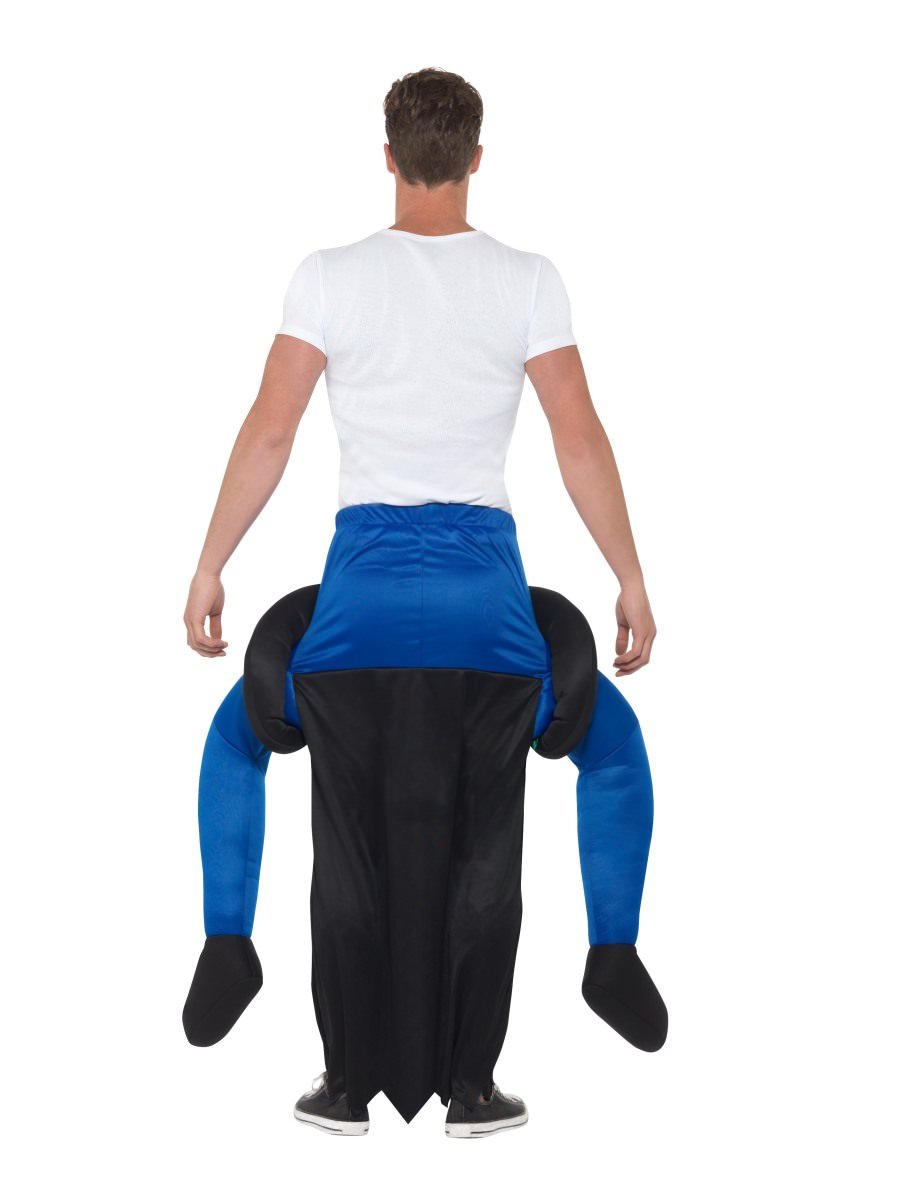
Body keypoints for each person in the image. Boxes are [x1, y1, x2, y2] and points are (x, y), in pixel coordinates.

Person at [182, 67, 660, 1138]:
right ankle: (539, 1027)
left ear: (389, 158)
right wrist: (628, 577)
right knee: (520, 821)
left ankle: (299, 1033)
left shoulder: (328, 276)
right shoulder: (528, 280)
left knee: (313, 813)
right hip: (487, 608)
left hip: (357, 604)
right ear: (476, 159)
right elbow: (578, 438)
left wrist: (212, 562)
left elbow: (271, 430)